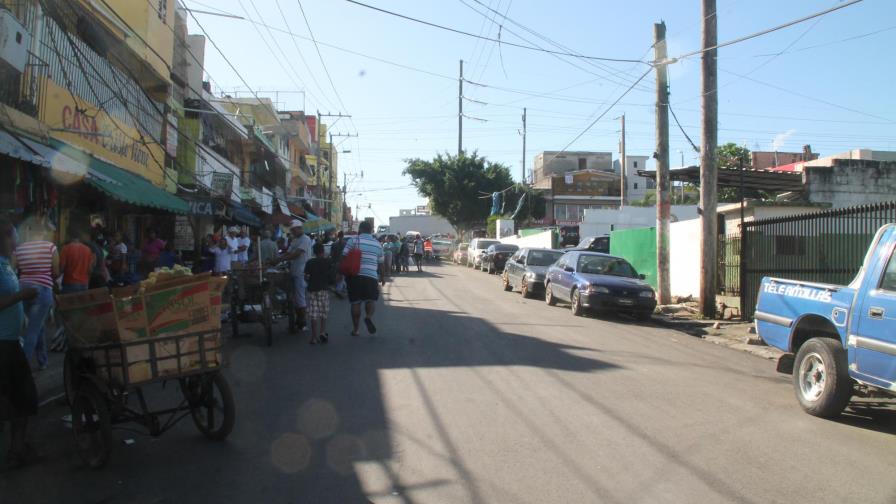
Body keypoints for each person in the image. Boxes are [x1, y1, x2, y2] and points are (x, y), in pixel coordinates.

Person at [0, 217, 40, 469]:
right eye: (13, 236)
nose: (17, 242)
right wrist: (22, 296)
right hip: (2, 345)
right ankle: (16, 450)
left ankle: (17, 449)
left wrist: (21, 314)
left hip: (11, 342)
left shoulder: (6, 265)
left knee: (22, 400)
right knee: (19, 399)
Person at [12, 226, 59, 371]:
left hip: (23, 289)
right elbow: (56, 272)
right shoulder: (50, 247)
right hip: (42, 290)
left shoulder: (19, 249)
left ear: (27, 233)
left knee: (38, 326)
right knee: (33, 329)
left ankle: (42, 360)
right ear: (43, 232)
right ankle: (21, 368)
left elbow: (14, 269)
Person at [269, 220, 312, 332]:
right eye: (291, 230)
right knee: (293, 298)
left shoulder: (306, 239)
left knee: (300, 298)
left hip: (301, 272)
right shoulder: (294, 240)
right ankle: (298, 320)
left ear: (299, 228)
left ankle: (303, 322)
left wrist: (280, 259)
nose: (292, 232)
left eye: (293, 230)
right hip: (293, 271)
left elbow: (296, 254)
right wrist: (277, 259)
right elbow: (288, 252)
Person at [342, 220, 383, 336]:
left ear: (360, 229)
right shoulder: (377, 243)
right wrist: (383, 277)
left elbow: (343, 256)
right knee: (370, 300)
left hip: (354, 276)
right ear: (371, 230)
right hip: (371, 276)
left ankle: (356, 330)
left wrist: (341, 273)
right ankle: (368, 317)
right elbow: (381, 263)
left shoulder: (353, 240)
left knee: (355, 302)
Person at [304, 242, 331, 345]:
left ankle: (314, 337)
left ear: (314, 252)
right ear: (323, 251)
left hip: (312, 289)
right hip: (323, 289)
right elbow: (330, 275)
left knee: (313, 314)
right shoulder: (327, 261)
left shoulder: (309, 262)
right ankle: (322, 332)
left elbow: (306, 277)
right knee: (323, 312)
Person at [59, 229, 95, 294]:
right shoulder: (88, 249)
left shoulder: (66, 248)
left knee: (68, 303)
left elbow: (61, 268)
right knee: (82, 303)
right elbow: (90, 270)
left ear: (69, 237)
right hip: (84, 284)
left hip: (69, 283)